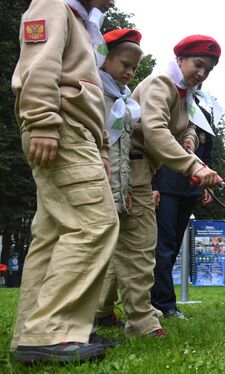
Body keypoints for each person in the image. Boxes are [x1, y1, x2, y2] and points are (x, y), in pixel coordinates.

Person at [10, 0, 119, 364]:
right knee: (94, 224)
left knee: (53, 234)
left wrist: (102, 149)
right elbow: (38, 64)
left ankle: (34, 330)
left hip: (75, 130)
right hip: (62, 127)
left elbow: (89, 94)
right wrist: (41, 120)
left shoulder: (80, 19)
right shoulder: (53, 3)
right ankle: (52, 331)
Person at [122, 35, 222, 332]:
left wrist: (189, 140)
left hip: (141, 166)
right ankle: (146, 317)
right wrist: (195, 165)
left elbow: (186, 126)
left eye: (208, 70)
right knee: (142, 246)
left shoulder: (183, 95)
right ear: (180, 59)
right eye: (198, 64)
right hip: (134, 166)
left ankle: (103, 312)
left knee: (121, 244)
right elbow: (154, 131)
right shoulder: (161, 83)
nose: (202, 73)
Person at [93, 28, 165, 339]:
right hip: (96, 186)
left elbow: (125, 149)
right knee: (97, 252)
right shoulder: (94, 91)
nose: (130, 72)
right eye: (125, 64)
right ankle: (87, 316)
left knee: (136, 250)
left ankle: (140, 320)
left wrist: (128, 191)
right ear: (104, 59)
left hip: (123, 186)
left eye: (135, 68)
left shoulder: (124, 98)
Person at [150, 103, 215, 320]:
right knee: (164, 246)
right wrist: (154, 185)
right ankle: (164, 304)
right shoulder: (170, 106)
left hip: (189, 188)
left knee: (174, 245)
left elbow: (206, 151)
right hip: (166, 186)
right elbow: (154, 145)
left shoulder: (203, 114)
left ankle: (159, 299)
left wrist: (206, 184)